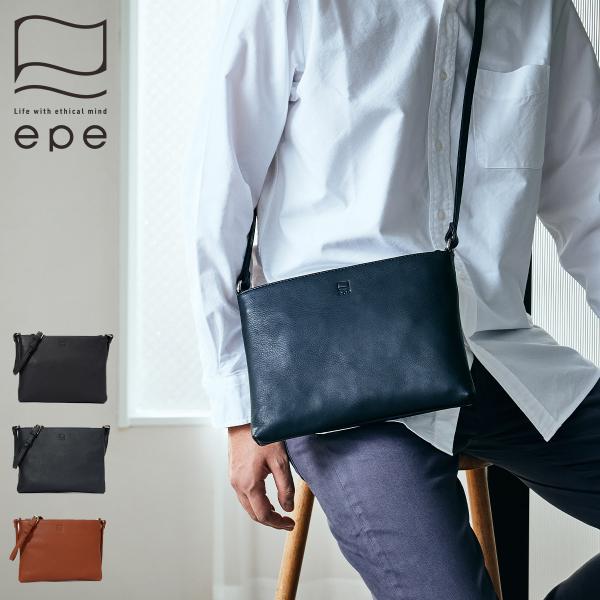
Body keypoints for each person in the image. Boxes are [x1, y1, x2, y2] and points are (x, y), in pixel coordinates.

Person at [186, 1, 600, 598]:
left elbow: (590, 204)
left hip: (500, 358)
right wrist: (240, 410)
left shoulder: (542, 10)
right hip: (341, 383)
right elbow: (218, 205)